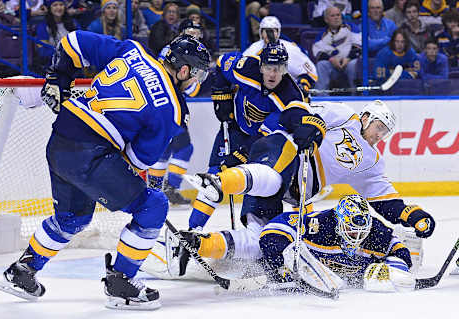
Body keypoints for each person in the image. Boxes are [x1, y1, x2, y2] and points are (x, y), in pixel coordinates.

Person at [0, 31, 211, 310]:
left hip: (60, 140)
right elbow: (138, 161)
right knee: (153, 206)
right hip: (91, 155)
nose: (197, 82)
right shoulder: (172, 109)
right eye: (198, 75)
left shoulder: (134, 51)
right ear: (183, 70)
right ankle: (121, 281)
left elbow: (72, 42)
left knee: (72, 218)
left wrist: (58, 78)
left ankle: (22, 273)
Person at [178, 100, 434, 276]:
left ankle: (198, 244)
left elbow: (386, 201)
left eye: (385, 133)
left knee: (259, 241)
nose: (380, 135)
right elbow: (295, 109)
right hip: (284, 153)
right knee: (274, 177)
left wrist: (413, 215)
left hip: (296, 190)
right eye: (379, 127)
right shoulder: (347, 115)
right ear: (366, 117)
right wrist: (310, 126)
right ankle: (219, 182)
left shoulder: (371, 162)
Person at [187, 42, 321, 235]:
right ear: (261, 66)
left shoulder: (290, 98)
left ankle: (276, 235)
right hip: (235, 129)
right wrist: (221, 95)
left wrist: (239, 157)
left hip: (266, 145)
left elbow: (264, 137)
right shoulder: (245, 68)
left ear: (286, 68)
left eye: (279, 68)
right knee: (215, 175)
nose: (273, 74)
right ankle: (192, 230)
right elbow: (221, 64)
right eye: (268, 68)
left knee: (272, 188)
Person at [258, 194, 416, 292]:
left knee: (409, 250)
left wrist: (392, 269)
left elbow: (401, 253)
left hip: (339, 279)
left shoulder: (377, 233)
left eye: (362, 231)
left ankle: (412, 239)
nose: (356, 235)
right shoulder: (318, 225)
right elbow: (271, 231)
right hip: (307, 283)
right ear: (338, 222)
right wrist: (282, 264)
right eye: (350, 229)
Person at [147, 20, 206, 207]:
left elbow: (193, 90)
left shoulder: (189, 53)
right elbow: (189, 88)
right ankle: (167, 188)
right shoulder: (170, 52)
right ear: (181, 33)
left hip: (168, 108)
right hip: (167, 109)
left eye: (198, 33)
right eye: (191, 32)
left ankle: (155, 190)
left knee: (163, 151)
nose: (195, 36)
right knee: (183, 147)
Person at [243, 16, 318, 95]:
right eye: (266, 31)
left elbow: (312, 73)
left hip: (288, 93)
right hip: (260, 93)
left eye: (273, 31)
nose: (269, 34)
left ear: (278, 32)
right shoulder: (253, 49)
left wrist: (303, 84)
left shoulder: (290, 49)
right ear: (261, 32)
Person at [312, 6, 362, 95]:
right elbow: (318, 52)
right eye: (333, 16)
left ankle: (356, 95)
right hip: (332, 65)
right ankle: (321, 97)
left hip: (349, 62)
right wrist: (331, 59)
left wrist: (349, 58)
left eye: (338, 15)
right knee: (321, 65)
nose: (336, 18)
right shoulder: (322, 35)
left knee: (354, 64)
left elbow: (358, 46)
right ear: (326, 19)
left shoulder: (351, 28)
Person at [35, 0, 80, 73]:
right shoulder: (43, 26)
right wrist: (62, 55)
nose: (59, 8)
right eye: (55, 5)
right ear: (49, 8)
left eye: (61, 4)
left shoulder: (74, 23)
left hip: (73, 64)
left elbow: (80, 44)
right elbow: (43, 51)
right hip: (52, 66)